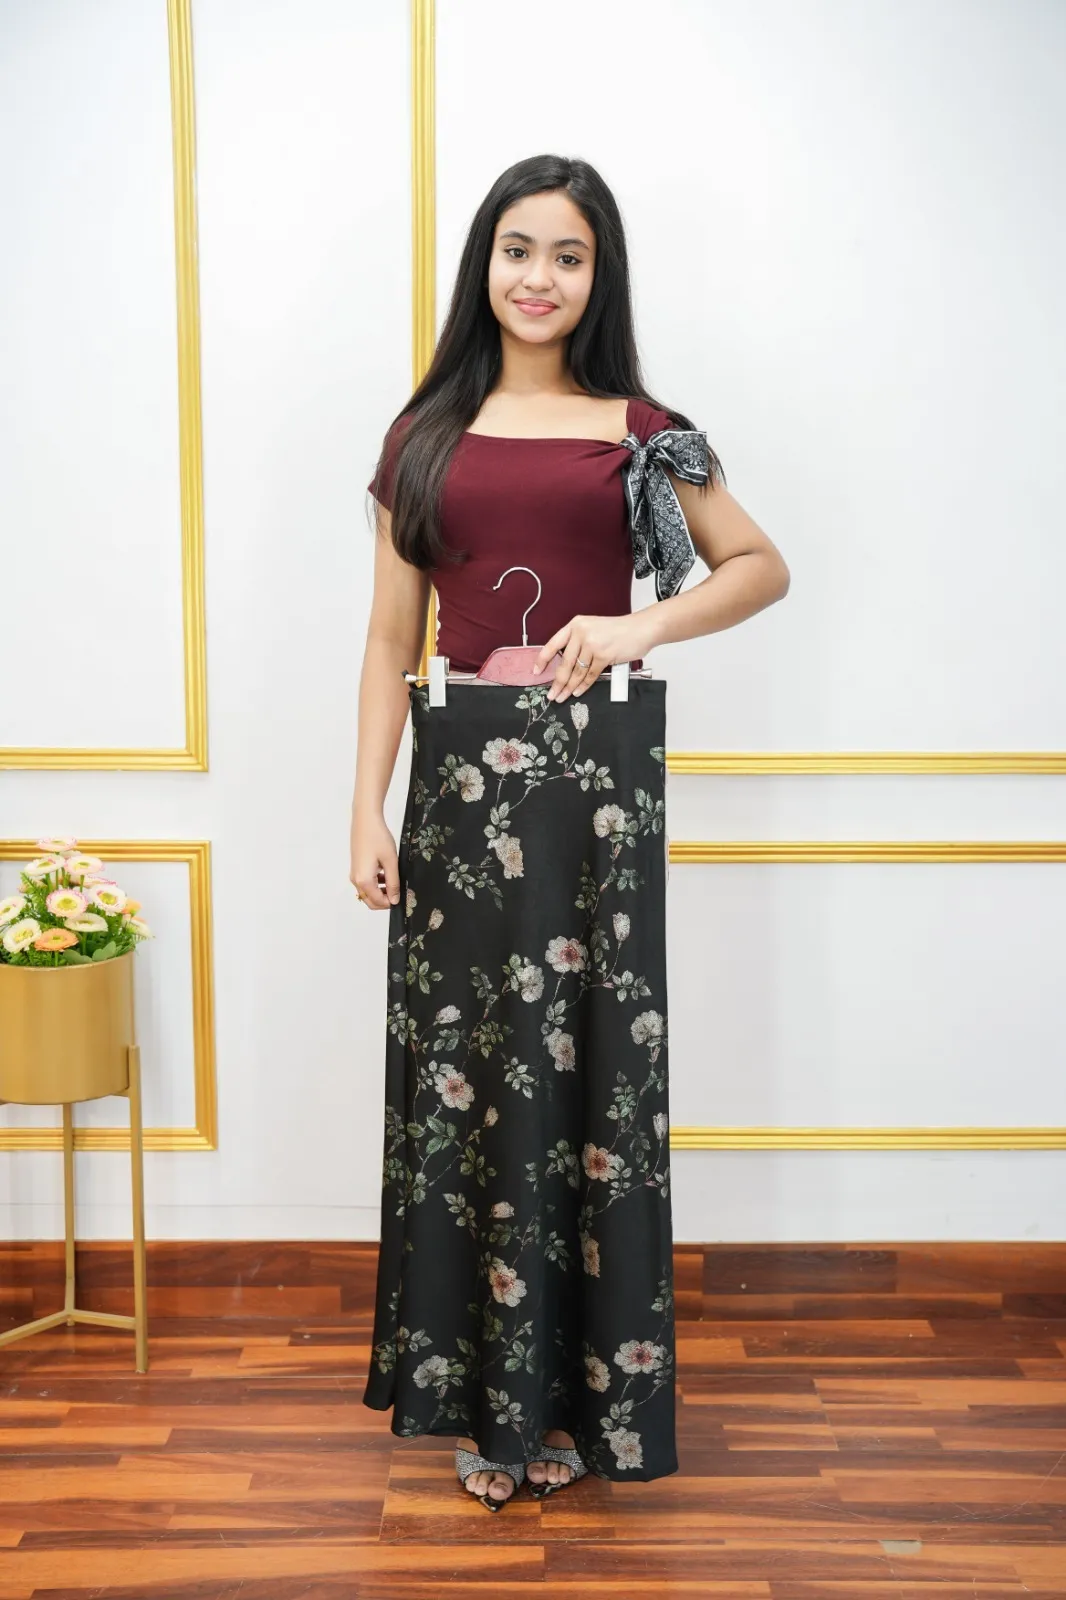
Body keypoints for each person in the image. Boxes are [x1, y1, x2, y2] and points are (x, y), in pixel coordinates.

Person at [352, 153, 790, 1510]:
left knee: (591, 1087)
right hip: (456, 799)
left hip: (598, 796)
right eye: (517, 248)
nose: (537, 277)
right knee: (470, 1085)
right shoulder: (424, 436)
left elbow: (759, 567)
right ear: (483, 263)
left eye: (568, 255)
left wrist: (635, 622)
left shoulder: (643, 431)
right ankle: (485, 1407)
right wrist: (363, 807)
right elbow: (389, 639)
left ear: (599, 277)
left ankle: (575, 1412)